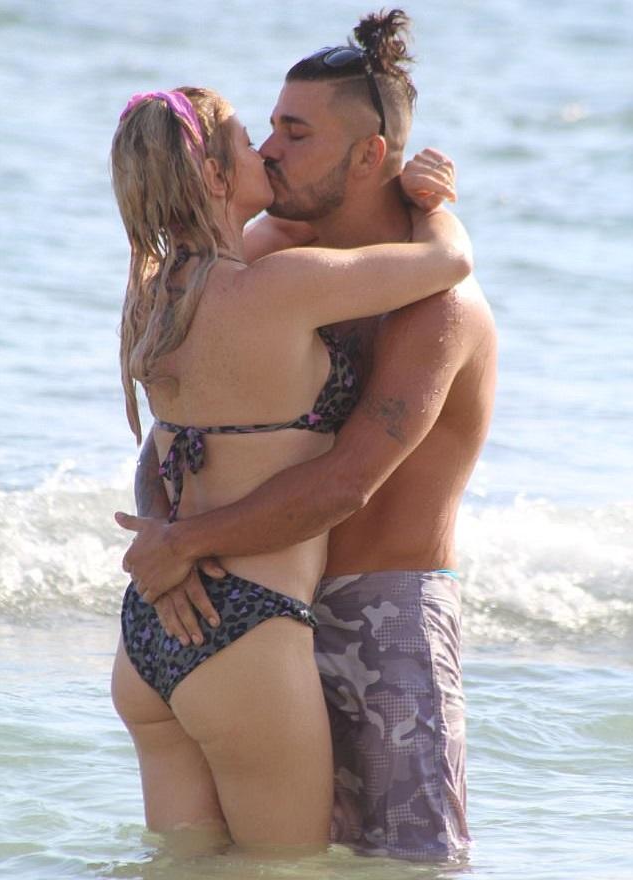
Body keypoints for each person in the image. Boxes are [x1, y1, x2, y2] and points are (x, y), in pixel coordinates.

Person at [109, 81, 472, 855]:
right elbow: (449, 262)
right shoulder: (282, 285)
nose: (267, 153)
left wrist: (171, 541)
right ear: (214, 175)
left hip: (149, 629)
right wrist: (431, 198)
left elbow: (164, 448)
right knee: (287, 870)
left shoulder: (149, 297)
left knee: (180, 867)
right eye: (249, 142)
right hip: (248, 631)